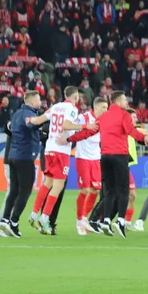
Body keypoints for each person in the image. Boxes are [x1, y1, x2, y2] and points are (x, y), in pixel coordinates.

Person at [29, 86, 95, 234]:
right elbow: (66, 124)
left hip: (49, 149)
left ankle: (34, 214)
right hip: (61, 151)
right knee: (58, 186)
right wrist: (85, 125)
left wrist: (29, 119)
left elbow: (38, 120)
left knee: (48, 183)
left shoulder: (55, 107)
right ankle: (44, 218)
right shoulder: (71, 108)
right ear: (76, 97)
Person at [97, 91, 148, 238]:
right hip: (119, 157)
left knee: (110, 191)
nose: (127, 103)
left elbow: (91, 130)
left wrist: (72, 137)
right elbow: (131, 132)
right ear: (118, 102)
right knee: (124, 191)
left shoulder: (103, 117)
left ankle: (106, 220)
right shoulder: (123, 115)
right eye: (125, 101)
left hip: (105, 156)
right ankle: (120, 221)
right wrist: (145, 139)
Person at [0, 91, 49, 237]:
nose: (41, 102)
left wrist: (41, 134)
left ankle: (5, 219)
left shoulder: (17, 114)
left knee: (14, 190)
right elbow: (31, 123)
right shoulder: (28, 115)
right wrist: (49, 115)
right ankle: (13, 222)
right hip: (25, 157)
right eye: (39, 100)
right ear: (33, 103)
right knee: (25, 191)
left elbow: (18, 130)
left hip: (13, 156)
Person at [67, 97, 109, 235]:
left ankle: (84, 218)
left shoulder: (104, 120)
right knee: (85, 189)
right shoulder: (84, 118)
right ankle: (79, 220)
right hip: (83, 157)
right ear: (95, 107)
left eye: (107, 107)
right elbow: (74, 131)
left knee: (96, 190)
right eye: (103, 107)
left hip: (96, 158)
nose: (106, 110)